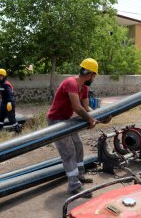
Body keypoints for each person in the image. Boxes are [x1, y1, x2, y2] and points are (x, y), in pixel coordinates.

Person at [47, 58, 100, 197]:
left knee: (78, 145)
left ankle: (79, 176)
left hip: (67, 120)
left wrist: (102, 117)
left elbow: (87, 108)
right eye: (94, 75)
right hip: (56, 121)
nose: (93, 78)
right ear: (89, 74)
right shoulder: (71, 83)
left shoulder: (85, 87)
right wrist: (90, 120)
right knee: (68, 152)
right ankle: (74, 186)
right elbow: (77, 107)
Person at [0, 68, 21, 133]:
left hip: (9, 103)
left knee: (11, 119)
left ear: (2, 76)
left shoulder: (6, 84)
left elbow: (10, 94)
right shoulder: (2, 83)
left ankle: (18, 131)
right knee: (0, 118)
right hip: (4, 103)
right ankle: (0, 132)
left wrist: (9, 103)